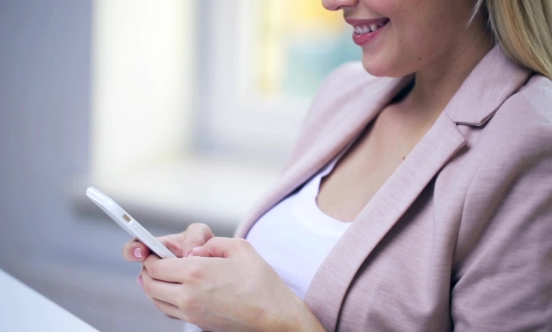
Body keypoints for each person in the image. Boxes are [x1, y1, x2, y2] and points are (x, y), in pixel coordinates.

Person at [123, 0, 552, 330]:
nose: (332, 3)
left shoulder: (531, 144)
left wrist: (278, 322)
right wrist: (215, 278)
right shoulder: (345, 94)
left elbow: (275, 312)